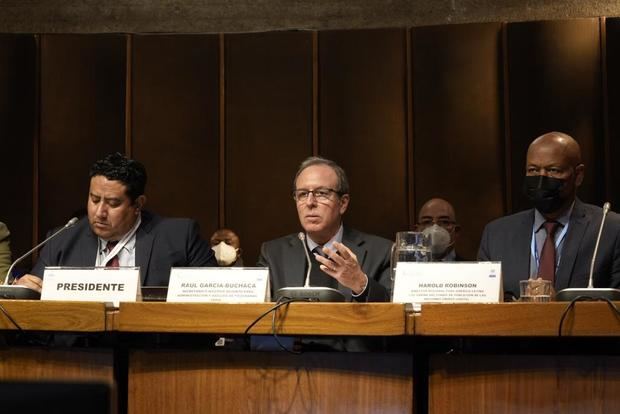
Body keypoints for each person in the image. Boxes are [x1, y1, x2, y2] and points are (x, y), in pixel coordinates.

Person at [16, 153, 216, 292]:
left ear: (138, 204)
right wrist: (23, 292)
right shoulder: (62, 240)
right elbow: (34, 300)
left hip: (152, 349)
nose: (100, 212)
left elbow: (215, 298)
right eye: (94, 200)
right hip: (79, 350)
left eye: (113, 203)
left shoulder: (180, 237)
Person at [478, 131, 620, 299]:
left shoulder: (609, 228)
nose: (541, 179)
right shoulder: (497, 234)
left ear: (578, 175)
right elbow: (483, 303)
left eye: (553, 170)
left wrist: (557, 306)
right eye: (533, 170)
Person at [258, 156, 392, 302]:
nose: (310, 203)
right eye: (302, 194)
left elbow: (395, 309)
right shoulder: (273, 254)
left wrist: (360, 283)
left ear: (343, 203)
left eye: (321, 193)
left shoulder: (382, 252)